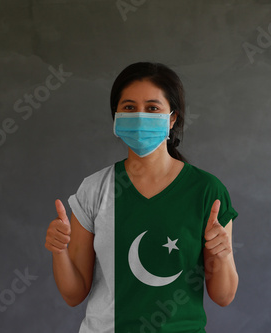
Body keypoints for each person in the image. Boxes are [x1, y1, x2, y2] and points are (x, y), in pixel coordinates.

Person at [45, 62, 239, 332]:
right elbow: (73, 294)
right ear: (116, 116)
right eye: (128, 107)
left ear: (172, 118)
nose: (139, 116)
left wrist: (223, 254)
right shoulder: (94, 189)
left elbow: (223, 296)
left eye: (152, 108)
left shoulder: (207, 192)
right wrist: (59, 252)